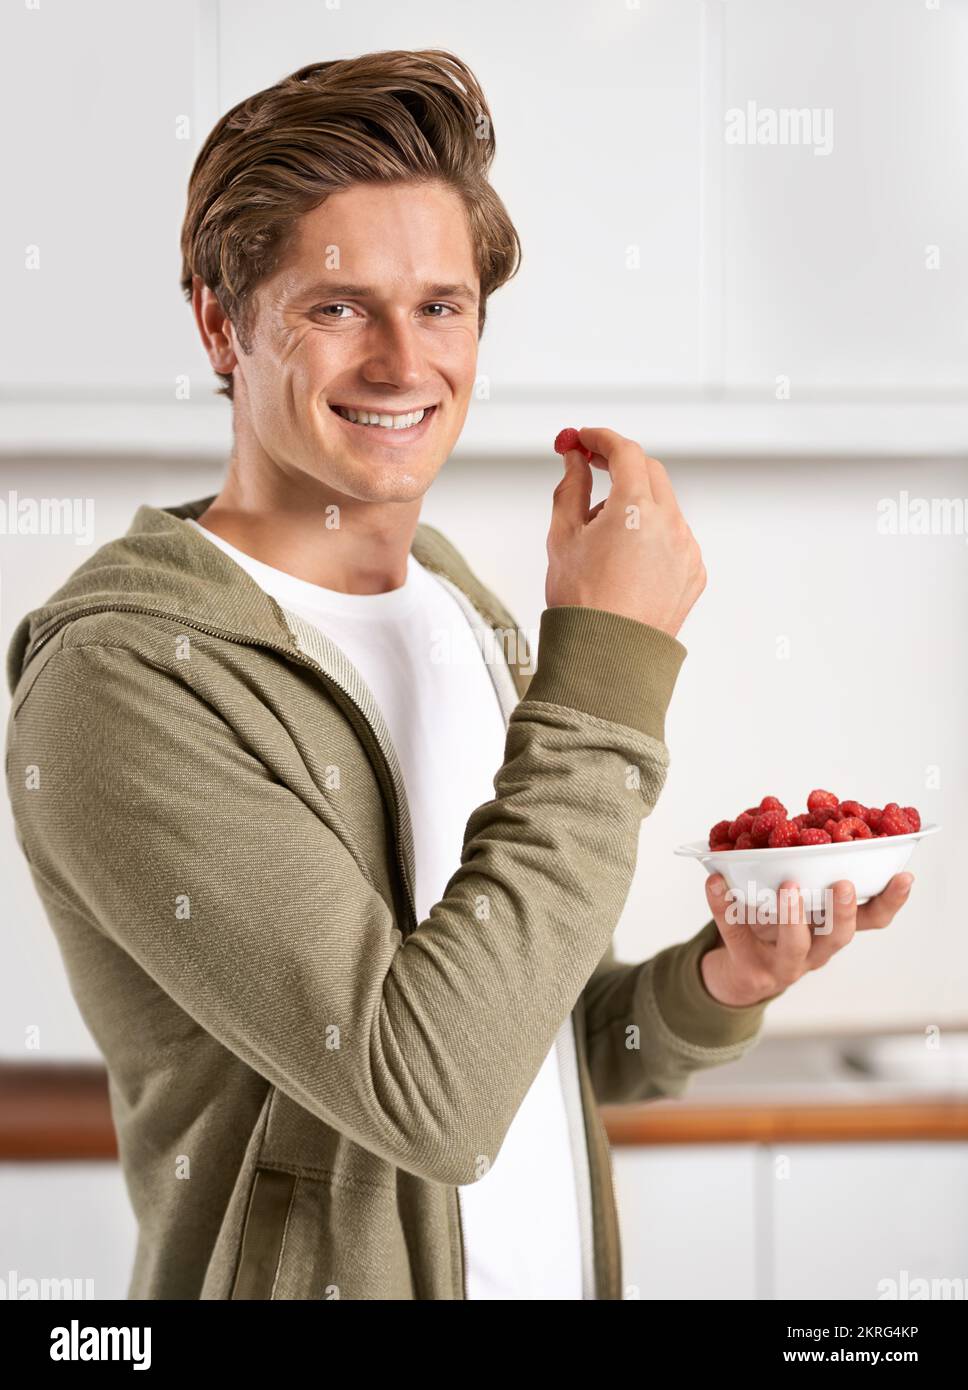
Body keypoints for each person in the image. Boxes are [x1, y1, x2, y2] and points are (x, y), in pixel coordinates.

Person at [4, 48, 913, 1301]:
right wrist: (606, 666)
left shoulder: (456, 608)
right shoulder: (122, 682)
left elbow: (532, 1037)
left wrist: (718, 981)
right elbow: (426, 1094)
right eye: (336, 306)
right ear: (221, 321)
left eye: (439, 305)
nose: (399, 362)